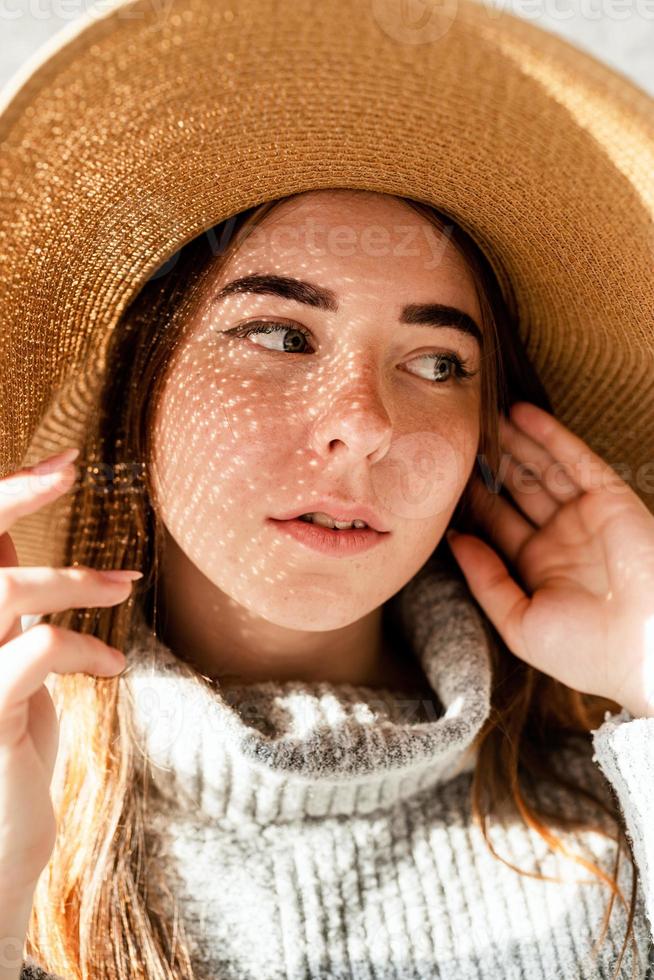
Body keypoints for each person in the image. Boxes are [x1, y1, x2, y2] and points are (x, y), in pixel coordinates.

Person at [1, 2, 653, 979]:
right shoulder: (21, 814)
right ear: (135, 383)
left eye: (437, 360)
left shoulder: (628, 816)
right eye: (278, 334)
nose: (370, 420)